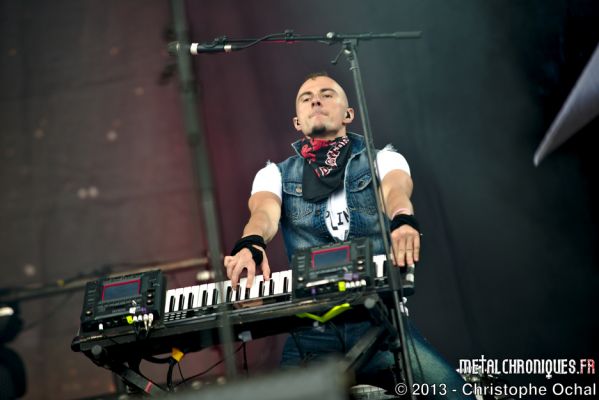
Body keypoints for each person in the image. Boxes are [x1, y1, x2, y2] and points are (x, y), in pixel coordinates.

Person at [224, 73, 473, 399]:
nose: (316, 100)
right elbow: (263, 213)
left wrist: (402, 219)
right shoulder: (274, 174)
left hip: (380, 324)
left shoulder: (383, 158)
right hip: (311, 331)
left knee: (456, 395)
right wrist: (251, 244)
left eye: (327, 94)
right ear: (297, 122)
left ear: (349, 114)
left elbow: (394, 190)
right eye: (306, 98)